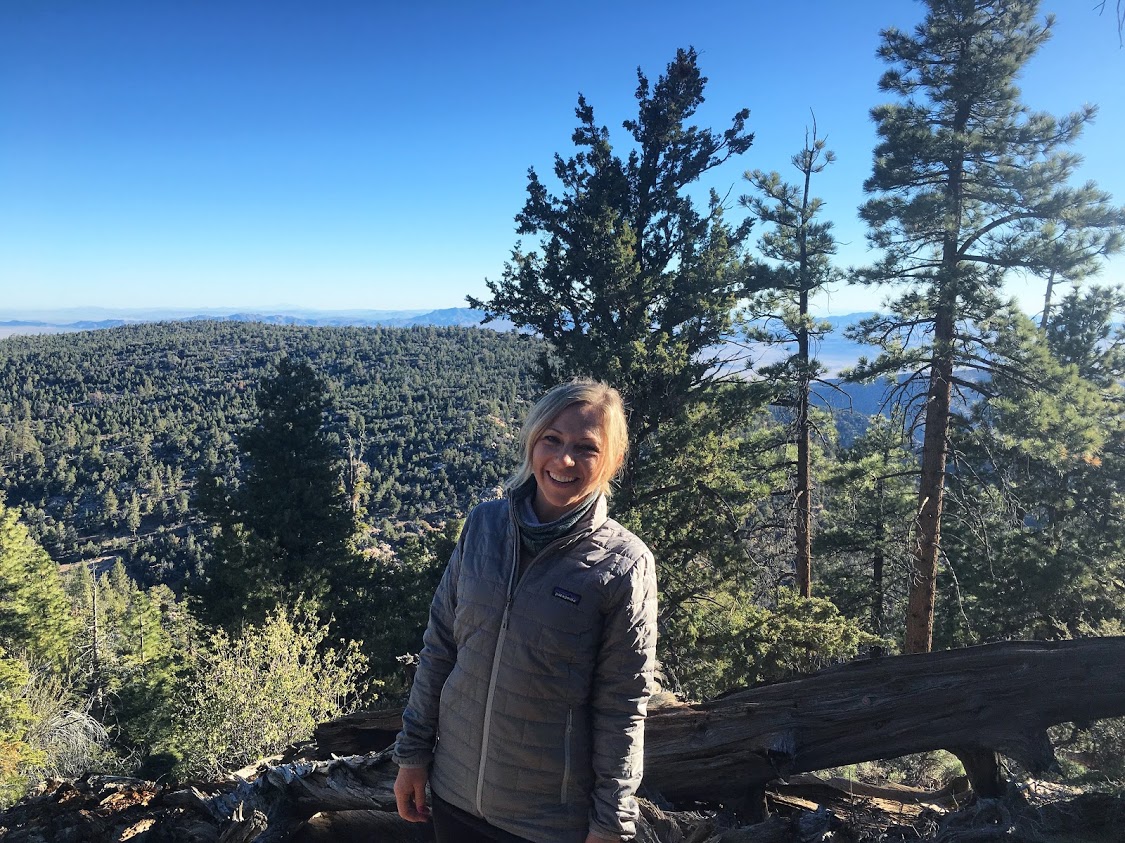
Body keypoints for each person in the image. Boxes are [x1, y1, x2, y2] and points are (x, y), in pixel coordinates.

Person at [393, 378, 658, 843]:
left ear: (613, 460)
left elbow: (622, 707)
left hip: (545, 823)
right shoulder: (483, 526)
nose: (564, 460)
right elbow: (440, 647)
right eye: (551, 440)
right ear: (532, 442)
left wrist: (610, 823)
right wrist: (412, 755)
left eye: (586, 448)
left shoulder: (623, 564)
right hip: (453, 795)